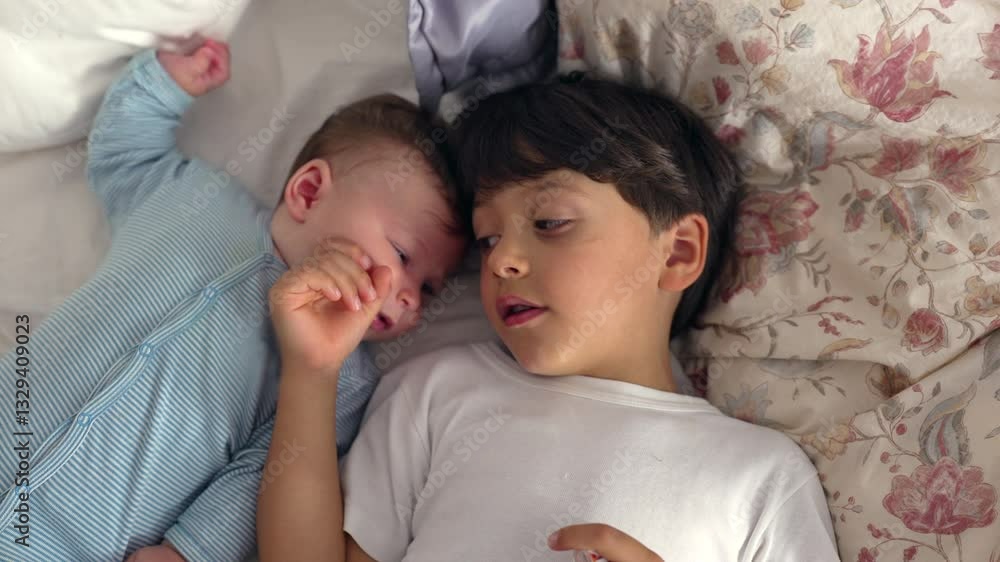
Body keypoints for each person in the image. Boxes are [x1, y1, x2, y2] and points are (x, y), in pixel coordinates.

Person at [257, 76, 840, 561]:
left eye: (550, 223)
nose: (502, 262)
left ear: (677, 253)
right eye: (487, 240)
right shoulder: (435, 393)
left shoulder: (762, 478)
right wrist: (312, 374)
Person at [0, 39, 467, 562]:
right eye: (402, 255)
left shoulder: (339, 377)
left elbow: (269, 471)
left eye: (429, 288)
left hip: (70, 545)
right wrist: (162, 84)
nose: (408, 298)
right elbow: (124, 154)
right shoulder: (196, 200)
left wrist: (190, 550)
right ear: (309, 192)